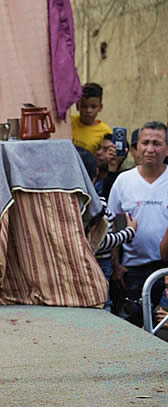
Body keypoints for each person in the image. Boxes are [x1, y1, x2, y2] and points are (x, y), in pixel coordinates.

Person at [108, 121, 168, 312]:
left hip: (165, 273)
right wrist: (116, 266)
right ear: (137, 147)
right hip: (132, 271)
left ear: (167, 149)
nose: (150, 149)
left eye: (157, 144)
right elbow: (114, 225)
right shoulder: (124, 181)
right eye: (145, 142)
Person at [78, 146, 137, 311]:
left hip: (84, 266)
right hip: (98, 265)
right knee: (101, 304)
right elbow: (100, 242)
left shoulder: (67, 204)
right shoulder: (97, 204)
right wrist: (129, 232)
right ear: (96, 173)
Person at [71, 82, 112, 154]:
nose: (88, 110)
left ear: (100, 107)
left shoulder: (105, 132)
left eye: (93, 107)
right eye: (84, 106)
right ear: (77, 106)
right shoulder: (69, 122)